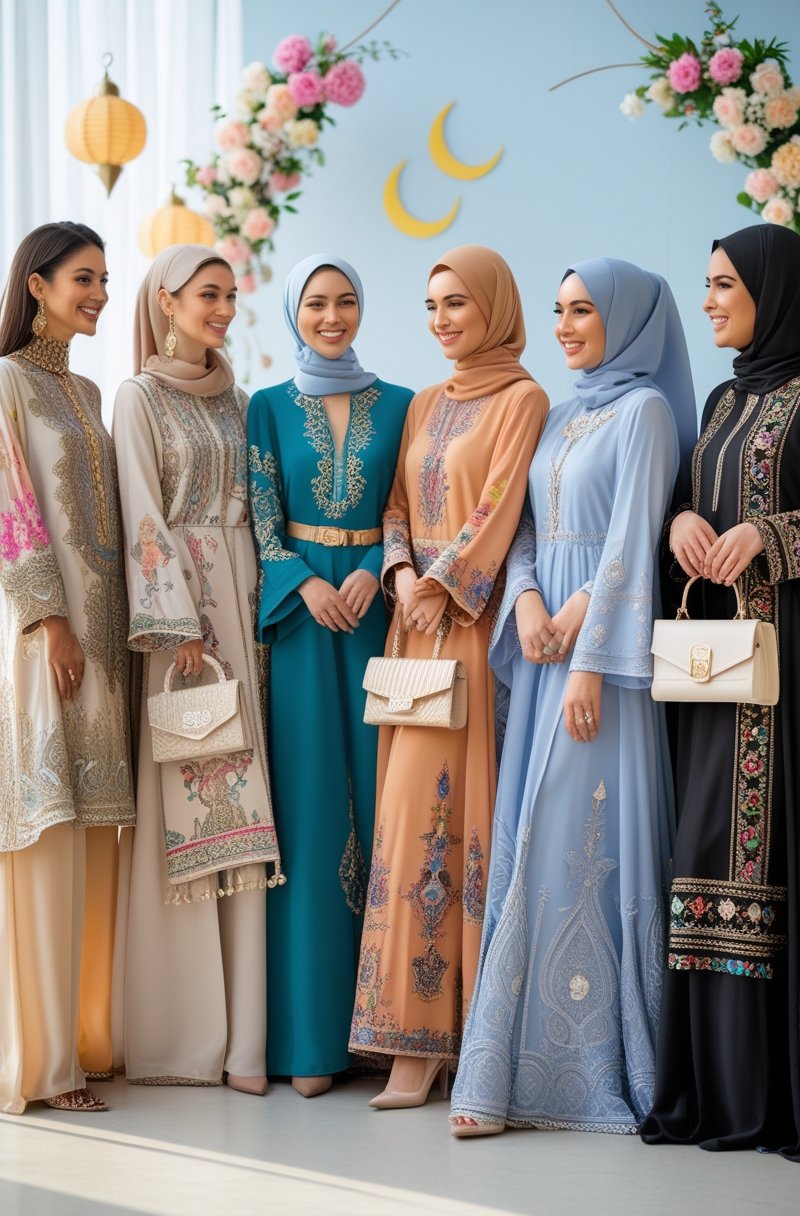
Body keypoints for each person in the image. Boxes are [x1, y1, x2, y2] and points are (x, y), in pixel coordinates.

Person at [447, 257, 696, 1136]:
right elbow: (525, 533)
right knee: (531, 835)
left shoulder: (646, 413)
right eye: (557, 310)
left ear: (626, 319)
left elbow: (631, 539)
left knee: (580, 840)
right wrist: (526, 601)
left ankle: (589, 1068)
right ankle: (505, 1071)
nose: (564, 326)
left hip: (600, 664)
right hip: (547, 639)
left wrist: (585, 649)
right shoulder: (559, 413)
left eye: (583, 310)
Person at [641, 224, 800, 1161]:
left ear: (774, 289)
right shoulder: (722, 399)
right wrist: (682, 519)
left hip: (797, 671)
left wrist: (773, 535)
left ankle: (780, 1094)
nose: (710, 299)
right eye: (706, 285)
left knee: (781, 855)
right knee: (707, 855)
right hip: (716, 670)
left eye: (724, 284)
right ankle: (716, 1091)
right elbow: (694, 490)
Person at [348, 244, 550, 1108]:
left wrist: (441, 584)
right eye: (432, 306)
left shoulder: (523, 397)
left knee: (456, 819)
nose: (441, 322)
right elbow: (398, 504)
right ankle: (408, 1035)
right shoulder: (429, 400)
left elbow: (499, 504)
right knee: (404, 816)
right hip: (411, 627)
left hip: (467, 628)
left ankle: (447, 1041)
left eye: (458, 304)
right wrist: (400, 576)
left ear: (496, 307)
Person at [111, 244, 282, 1094]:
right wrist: (178, 624)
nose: (222, 309)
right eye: (207, 295)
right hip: (179, 624)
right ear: (167, 301)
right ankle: (181, 1038)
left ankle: (245, 1041)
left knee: (245, 807)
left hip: (244, 608)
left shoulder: (240, 400)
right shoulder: (138, 398)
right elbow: (143, 507)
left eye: (230, 296)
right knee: (188, 801)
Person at [247, 255, 411, 1098]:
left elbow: (410, 511)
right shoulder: (267, 408)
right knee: (311, 818)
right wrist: (307, 583)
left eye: (346, 299)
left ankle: (380, 1037)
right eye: (316, 302)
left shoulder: (407, 405)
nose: (333, 315)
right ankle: (310, 1041)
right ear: (293, 312)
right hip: (305, 628)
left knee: (386, 812)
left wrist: (378, 566)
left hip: (380, 620)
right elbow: (261, 519)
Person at [0, 221, 134, 1114]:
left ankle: (87, 1042)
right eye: (83, 278)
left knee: (93, 836)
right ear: (38, 284)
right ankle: (41, 1066)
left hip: (107, 638)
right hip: (45, 632)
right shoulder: (7, 382)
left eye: (104, 279)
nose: (97, 293)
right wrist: (50, 619)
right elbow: (12, 506)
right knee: (46, 831)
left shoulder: (87, 389)